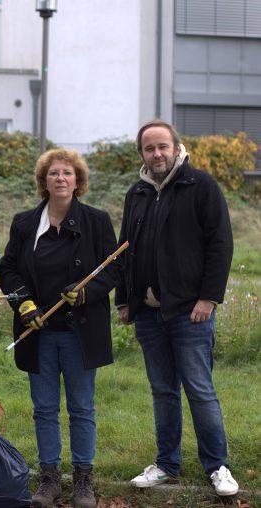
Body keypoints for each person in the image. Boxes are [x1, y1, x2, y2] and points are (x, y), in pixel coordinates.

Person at [115, 120, 239, 497]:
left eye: (162, 147)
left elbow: (221, 244)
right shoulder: (136, 192)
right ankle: (166, 464)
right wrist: (124, 298)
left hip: (190, 312)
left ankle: (217, 466)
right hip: (149, 314)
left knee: (199, 390)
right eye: (149, 149)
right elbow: (124, 248)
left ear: (176, 147)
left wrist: (208, 297)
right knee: (162, 391)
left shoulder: (200, 186)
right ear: (142, 154)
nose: (157, 154)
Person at [0, 148, 119, 508]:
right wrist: (24, 304)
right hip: (39, 333)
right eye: (54, 173)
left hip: (80, 333)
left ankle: (83, 479)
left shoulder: (97, 221)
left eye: (68, 173)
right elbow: (8, 271)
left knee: (81, 407)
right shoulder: (23, 223)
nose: (61, 179)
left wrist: (84, 294)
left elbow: (113, 270)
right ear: (44, 181)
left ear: (78, 180)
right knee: (44, 407)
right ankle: (49, 478)